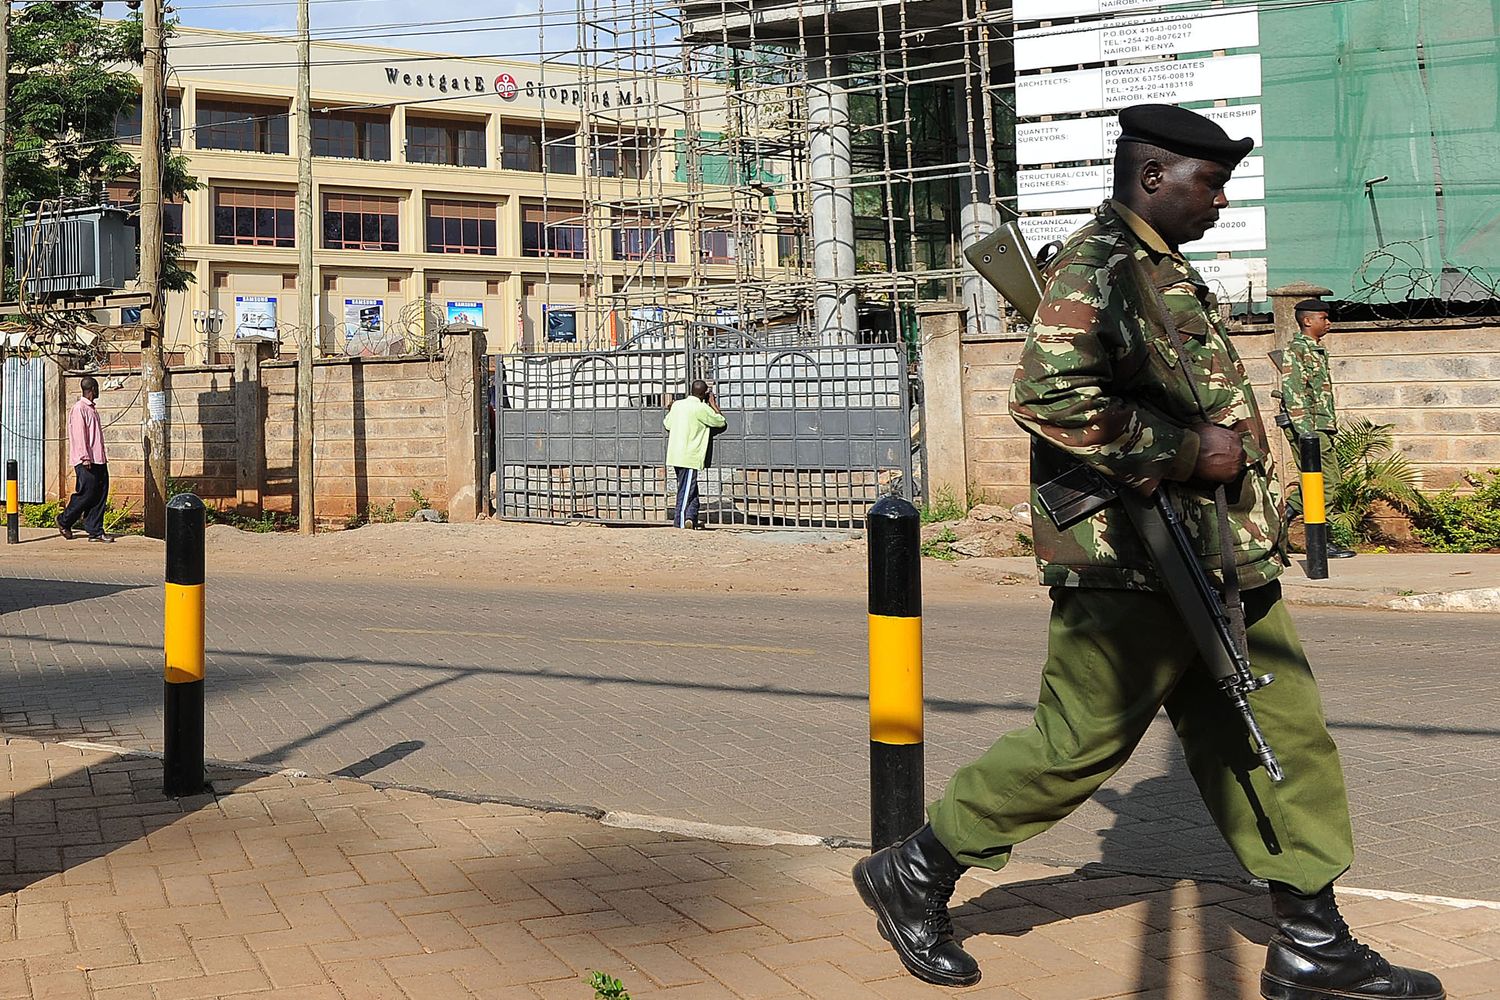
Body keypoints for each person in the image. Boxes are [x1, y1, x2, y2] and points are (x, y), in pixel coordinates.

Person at [852, 105, 1443, 1000]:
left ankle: (1312, 941)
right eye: (1210, 184)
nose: (1219, 202)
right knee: (1078, 744)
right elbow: (1050, 395)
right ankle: (918, 868)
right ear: (1154, 176)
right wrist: (1183, 452)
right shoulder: (1101, 269)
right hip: (1135, 559)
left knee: (1279, 736)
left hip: (1216, 555)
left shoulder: (1160, 268)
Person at [1280, 298, 1355, 558]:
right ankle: (1318, 542)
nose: (1328, 322)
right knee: (1323, 483)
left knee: (1325, 481)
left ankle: (1281, 521)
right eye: (1324, 318)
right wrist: (1305, 431)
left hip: (1320, 426)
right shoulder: (1298, 350)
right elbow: (1294, 390)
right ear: (1307, 320)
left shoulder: (1316, 350)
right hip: (1310, 427)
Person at [662, 379, 726, 529]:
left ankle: (691, 517)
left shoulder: (677, 405)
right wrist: (713, 404)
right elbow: (720, 421)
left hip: (675, 453)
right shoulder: (701, 408)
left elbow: (667, 424)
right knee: (686, 490)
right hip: (690, 455)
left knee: (690, 487)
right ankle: (680, 522)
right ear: (704, 394)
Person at [57, 375, 113, 543]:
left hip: (99, 459)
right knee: (87, 493)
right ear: (93, 389)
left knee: (100, 494)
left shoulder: (91, 409)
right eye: (97, 389)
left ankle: (95, 530)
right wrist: (84, 458)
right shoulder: (79, 408)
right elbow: (79, 435)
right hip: (86, 460)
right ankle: (64, 520)